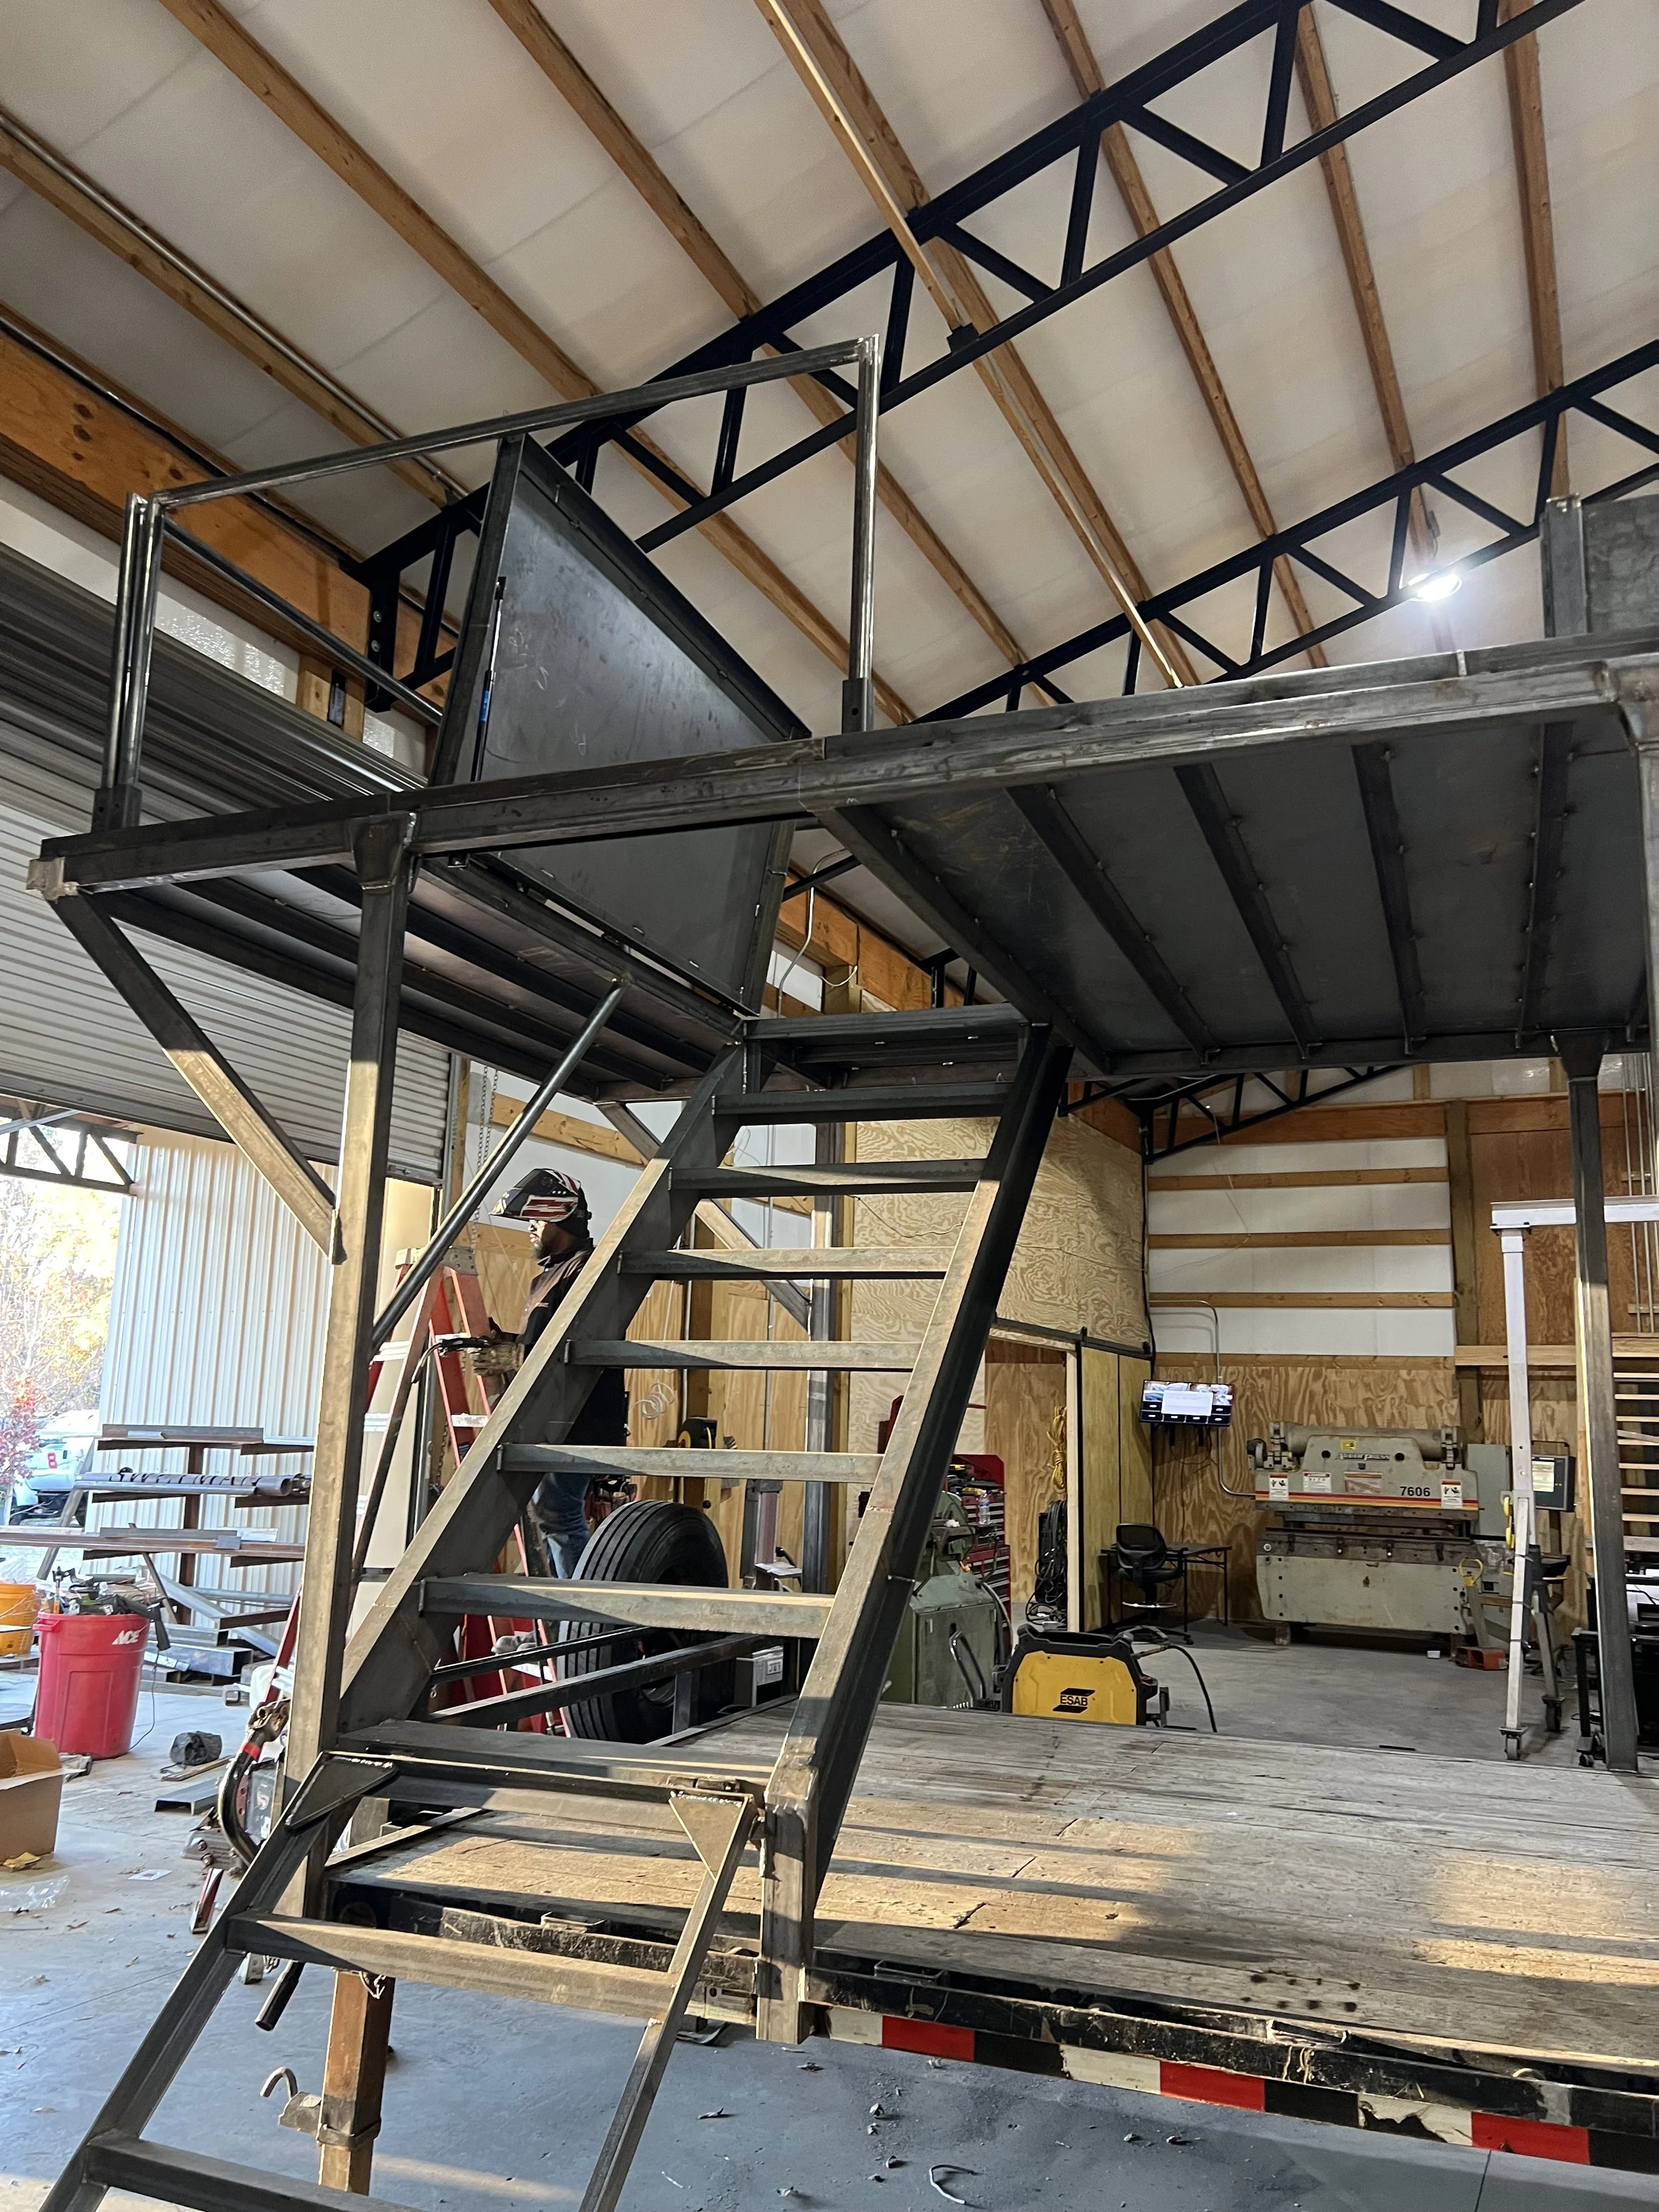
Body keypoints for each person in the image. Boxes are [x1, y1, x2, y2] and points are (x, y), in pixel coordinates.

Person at [492, 1168, 627, 1577]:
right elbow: (545, 1340)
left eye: (536, 1220)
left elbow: (575, 1342)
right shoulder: (550, 1275)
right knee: (550, 1512)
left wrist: (515, 1356)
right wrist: (508, 1343)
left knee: (558, 1511)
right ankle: (566, 1614)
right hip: (554, 1414)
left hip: (579, 1416)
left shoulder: (586, 1270)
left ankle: (580, 1614)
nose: (531, 1229)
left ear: (558, 1217)